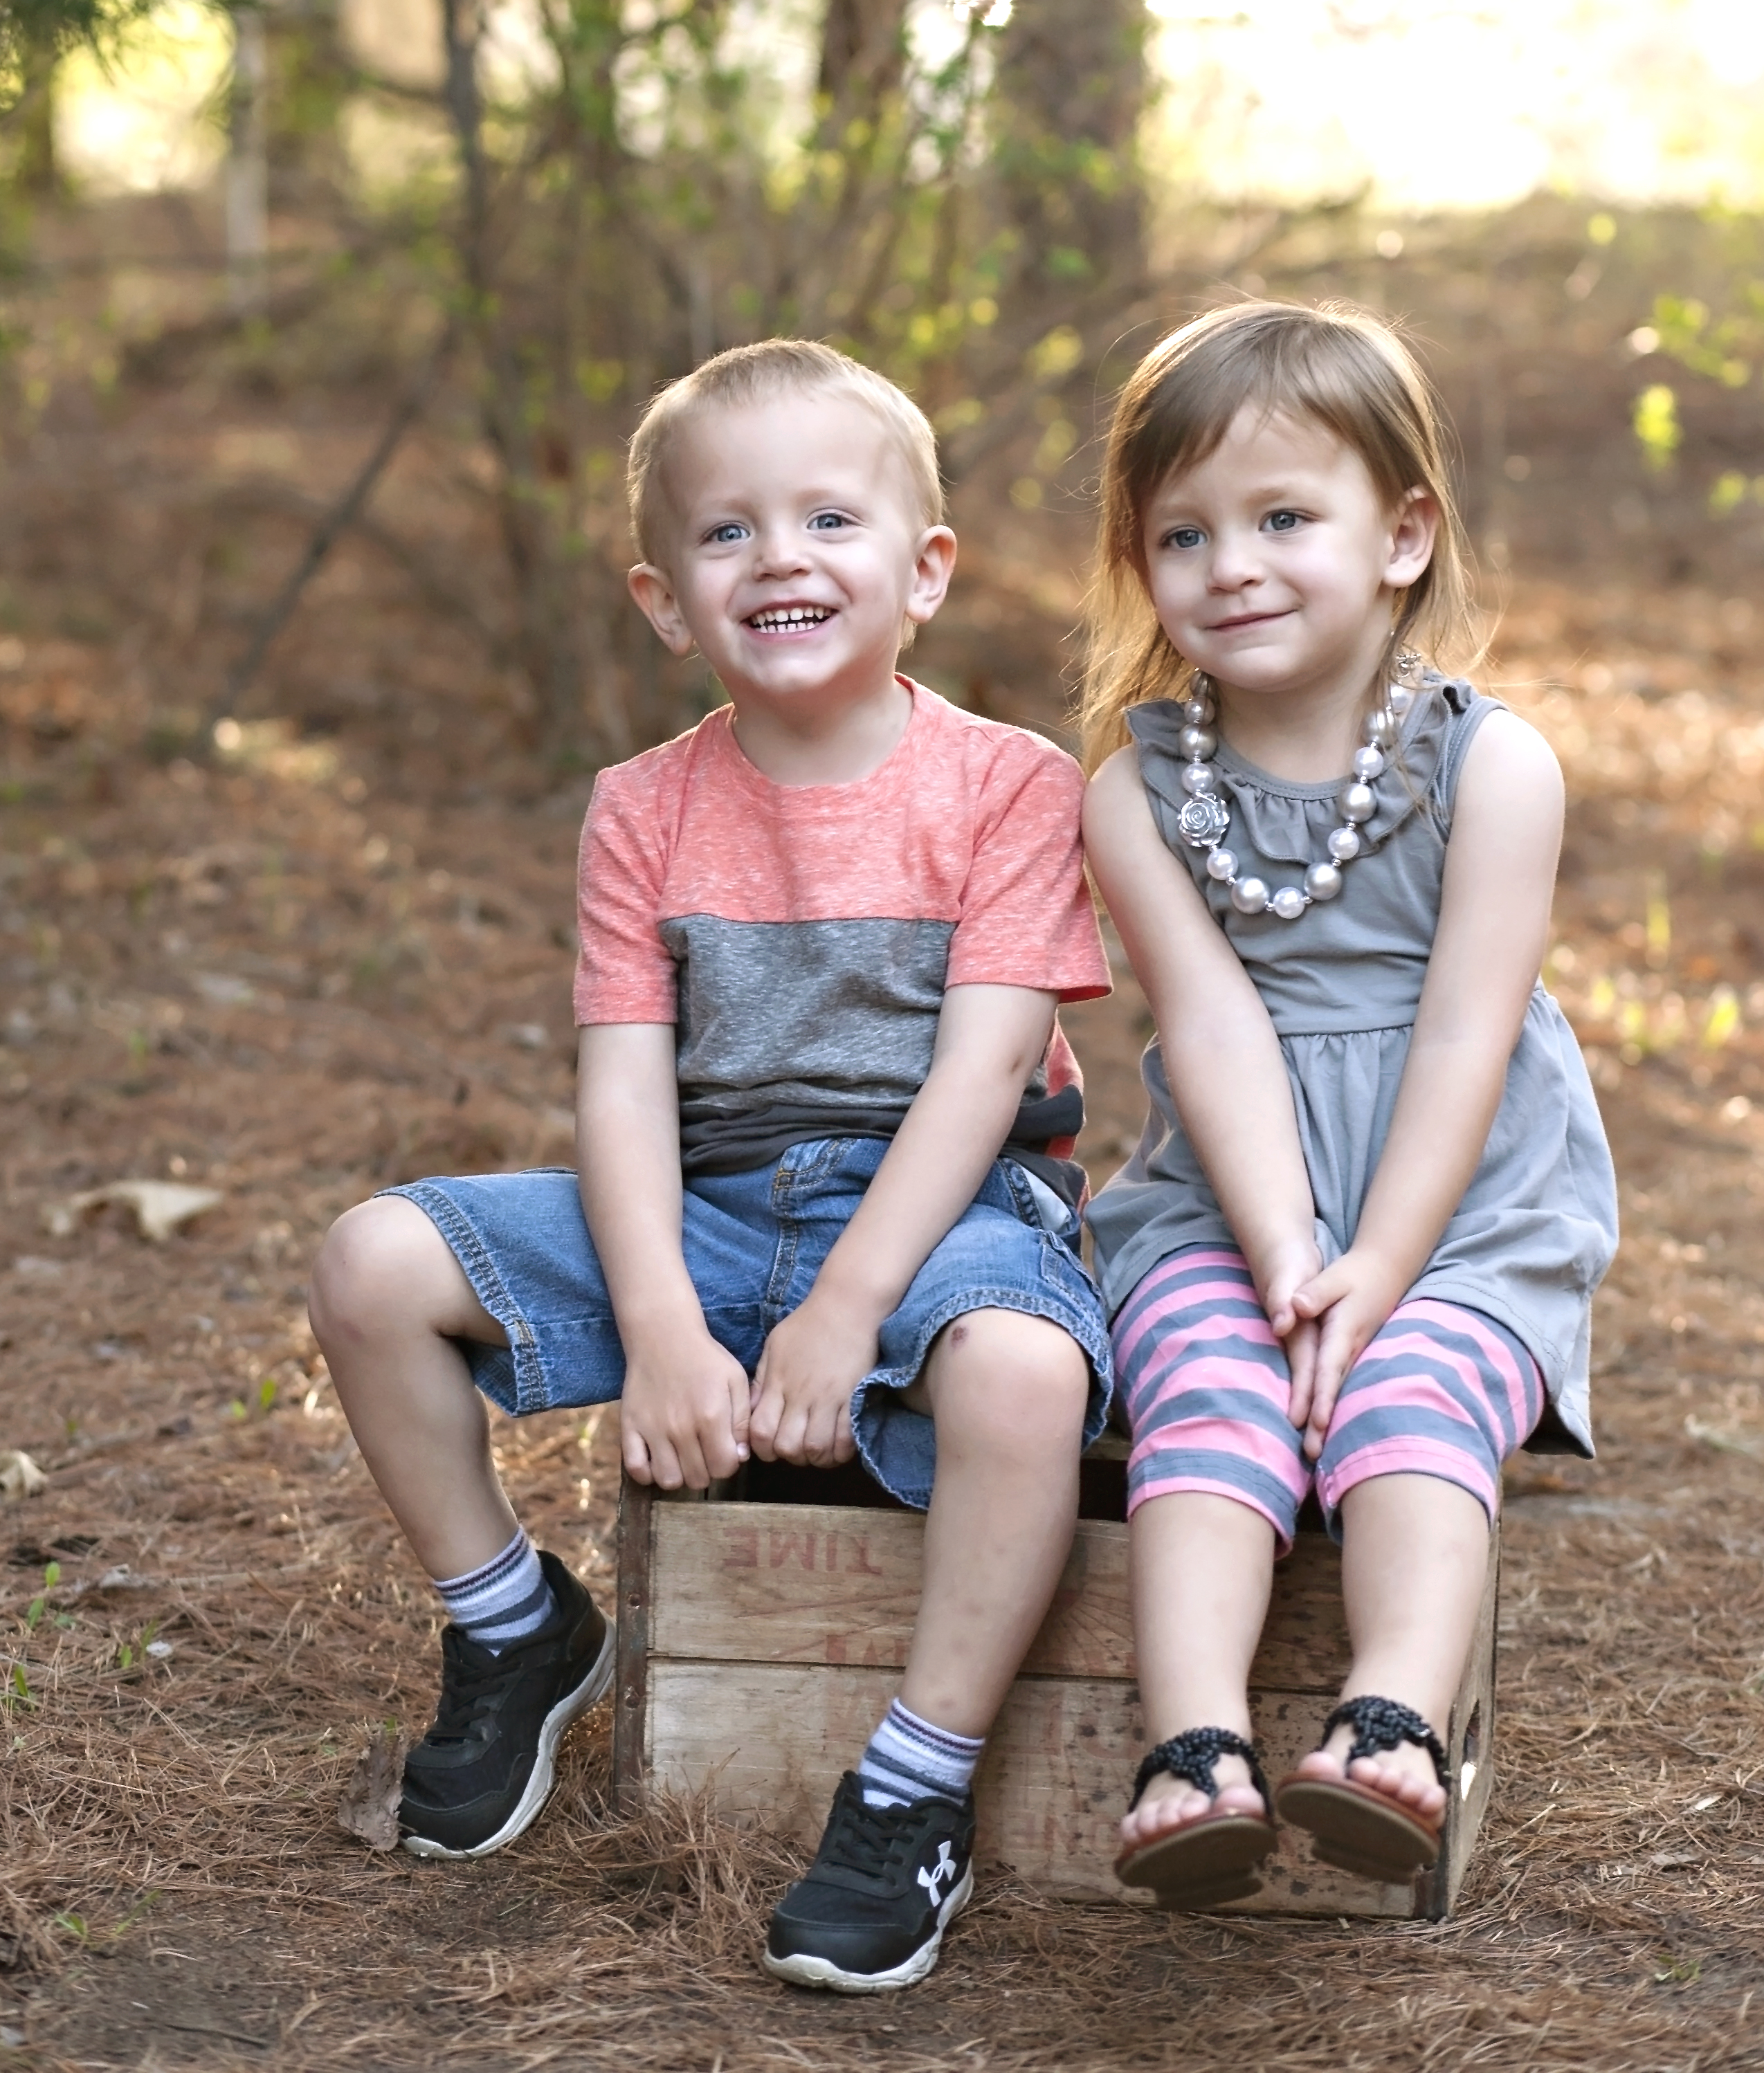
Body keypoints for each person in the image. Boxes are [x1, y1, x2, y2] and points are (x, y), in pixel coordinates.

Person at [308, 339, 1113, 1991]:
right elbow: (621, 1087)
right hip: (711, 1211)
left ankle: (915, 1784)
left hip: (945, 1207)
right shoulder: (642, 807)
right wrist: (666, 1326)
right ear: (665, 600)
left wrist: (848, 1311)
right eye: (727, 531)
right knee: (369, 1266)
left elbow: (981, 1076)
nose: (779, 557)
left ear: (924, 570)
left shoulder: (1010, 786)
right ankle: (515, 1625)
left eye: (829, 517)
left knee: (1027, 1377)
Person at [1076, 299, 1617, 1908]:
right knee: (1207, 1393)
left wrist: (1373, 1269)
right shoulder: (1135, 791)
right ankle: (1193, 1752)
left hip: (1464, 1209)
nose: (1228, 565)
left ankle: (1391, 1727)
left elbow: (1463, 1042)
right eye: (1182, 533)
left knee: (1413, 1398)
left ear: (1401, 536)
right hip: (1225, 1196)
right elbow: (1213, 1030)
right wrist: (1282, 1258)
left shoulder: (1492, 769)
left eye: (1281, 519)